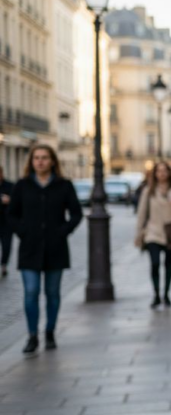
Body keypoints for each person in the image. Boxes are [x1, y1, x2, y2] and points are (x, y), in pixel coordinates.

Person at [7, 145, 84, 354]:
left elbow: (76, 214)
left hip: (55, 247)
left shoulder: (63, 185)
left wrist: (63, 231)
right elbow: (11, 214)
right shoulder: (22, 186)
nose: (40, 161)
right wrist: (22, 231)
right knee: (31, 291)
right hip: (29, 248)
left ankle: (50, 331)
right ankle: (32, 335)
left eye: (44, 158)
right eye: (36, 158)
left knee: (52, 292)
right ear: (31, 162)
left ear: (52, 161)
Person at [135, 161, 171, 308]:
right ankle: (156, 294)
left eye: (164, 171)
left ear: (169, 173)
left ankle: (167, 294)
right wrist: (139, 234)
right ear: (155, 174)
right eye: (159, 171)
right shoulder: (148, 190)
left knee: (168, 264)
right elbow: (141, 214)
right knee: (155, 263)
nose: (162, 173)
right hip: (153, 232)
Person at [0, 165, 13, 278]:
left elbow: (17, 201)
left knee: (6, 246)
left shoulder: (10, 185)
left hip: (7, 223)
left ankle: (4, 265)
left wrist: (9, 200)